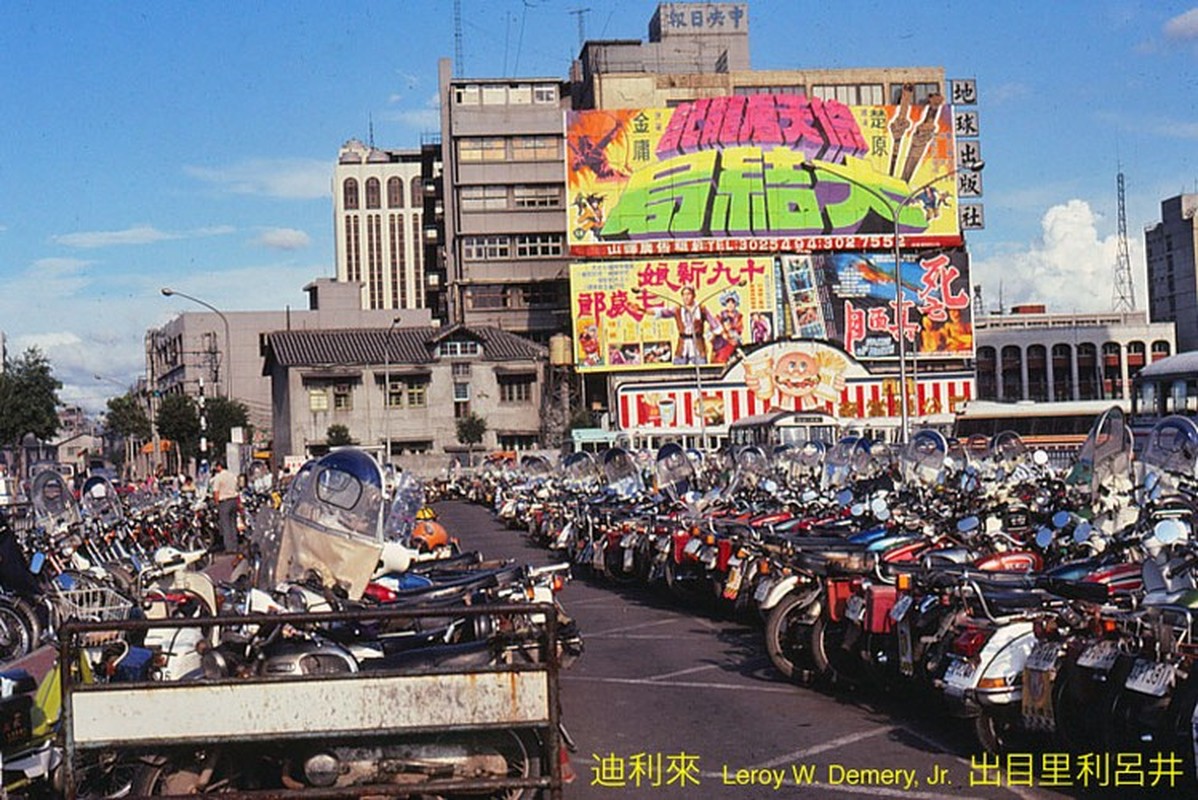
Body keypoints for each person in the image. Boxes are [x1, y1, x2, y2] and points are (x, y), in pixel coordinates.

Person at [210, 461, 240, 553]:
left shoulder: (218, 477)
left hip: (224, 502)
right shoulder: (232, 476)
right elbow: (237, 488)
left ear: (219, 467)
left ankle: (229, 548)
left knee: (226, 525)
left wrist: (216, 503)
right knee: (233, 524)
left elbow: (216, 492)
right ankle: (235, 546)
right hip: (234, 500)